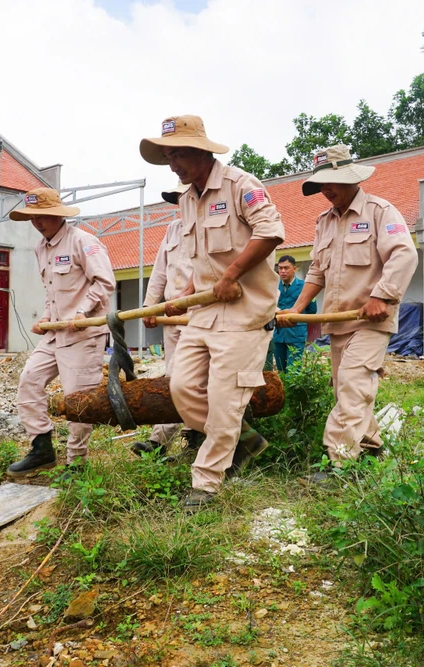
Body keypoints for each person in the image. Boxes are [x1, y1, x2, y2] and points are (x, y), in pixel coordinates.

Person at [139, 115, 285, 509]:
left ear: (201, 151)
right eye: (169, 157)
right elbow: (200, 259)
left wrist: (232, 274)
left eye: (178, 155)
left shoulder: (241, 185)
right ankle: (242, 439)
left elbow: (271, 232)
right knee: (182, 387)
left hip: (244, 313)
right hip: (204, 312)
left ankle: (207, 482)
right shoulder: (187, 199)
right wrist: (186, 292)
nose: (173, 165)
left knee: (224, 397)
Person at [277, 145, 418, 483]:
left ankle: (340, 464)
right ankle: (370, 447)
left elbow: (404, 254)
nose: (326, 190)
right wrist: (296, 309)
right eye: (321, 185)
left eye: (331, 182)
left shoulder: (380, 212)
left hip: (371, 321)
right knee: (346, 389)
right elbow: (316, 272)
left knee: (353, 385)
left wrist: (382, 296)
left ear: (351, 178)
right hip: (338, 323)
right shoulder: (323, 222)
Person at [6, 188, 116, 476]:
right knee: (29, 380)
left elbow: (104, 281)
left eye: (42, 217)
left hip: (83, 335)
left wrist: (83, 311)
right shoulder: (41, 248)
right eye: (33, 218)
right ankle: (41, 448)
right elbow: (52, 291)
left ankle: (77, 463)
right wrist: (45, 317)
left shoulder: (83, 242)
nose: (37, 223)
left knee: (78, 399)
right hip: (55, 333)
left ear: (57, 215)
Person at [133, 182, 199, 456]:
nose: (183, 203)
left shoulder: (211, 226)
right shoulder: (173, 229)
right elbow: (160, 271)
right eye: (178, 199)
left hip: (199, 315)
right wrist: (150, 307)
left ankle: (161, 440)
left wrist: (186, 299)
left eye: (187, 198)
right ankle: (186, 438)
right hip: (172, 318)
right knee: (177, 377)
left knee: (184, 377)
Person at [271, 255, 316, 371]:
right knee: (280, 370)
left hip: (296, 334)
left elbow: (312, 310)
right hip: (278, 334)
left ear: (294, 269)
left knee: (294, 371)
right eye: (280, 268)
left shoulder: (304, 287)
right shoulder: (273, 286)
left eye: (286, 268)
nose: (282, 271)